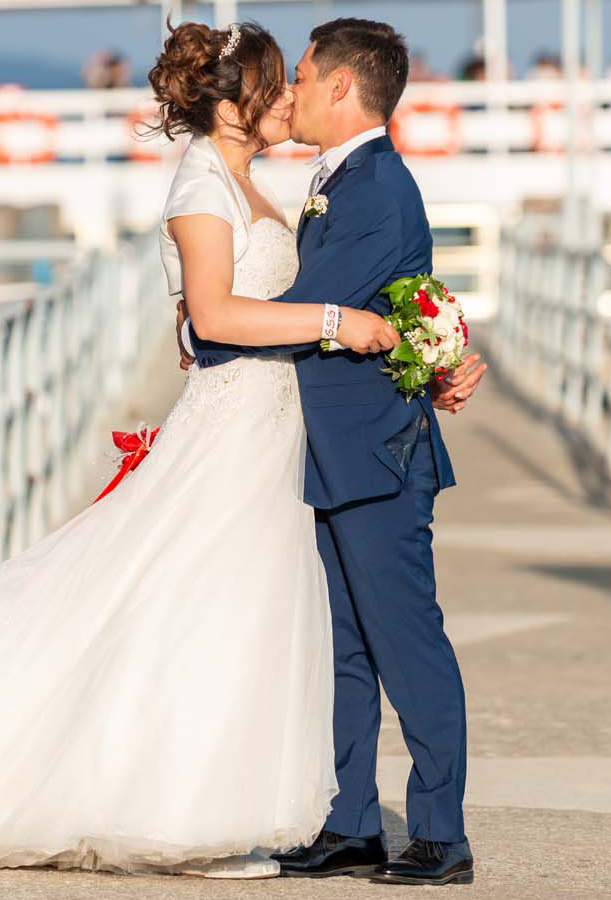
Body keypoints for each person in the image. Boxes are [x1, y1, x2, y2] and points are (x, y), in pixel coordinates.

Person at [0, 20, 416, 882]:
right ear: (234, 105)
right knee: (198, 609)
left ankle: (214, 803)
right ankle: (180, 816)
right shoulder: (201, 188)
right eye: (277, 83)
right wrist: (336, 323)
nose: (290, 97)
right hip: (233, 425)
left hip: (272, 424)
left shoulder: (255, 184)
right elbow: (218, 318)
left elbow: (211, 315)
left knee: (234, 613)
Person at [181, 18, 483, 886]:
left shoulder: (376, 188)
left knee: (405, 640)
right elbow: (396, 304)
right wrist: (436, 361)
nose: (292, 92)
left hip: (375, 454)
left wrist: (209, 334)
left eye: (305, 76)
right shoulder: (337, 182)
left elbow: (313, 305)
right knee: (343, 647)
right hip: (327, 447)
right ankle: (350, 822)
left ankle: (439, 834)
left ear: (343, 86)